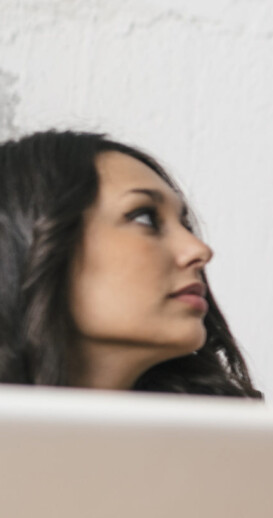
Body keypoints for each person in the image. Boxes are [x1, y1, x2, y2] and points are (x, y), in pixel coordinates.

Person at [0, 130, 259, 397]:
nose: (199, 250)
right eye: (146, 218)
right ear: (33, 243)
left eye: (185, 225)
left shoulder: (223, 437)